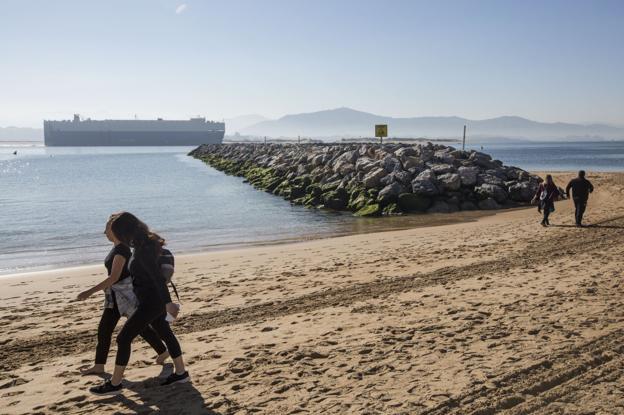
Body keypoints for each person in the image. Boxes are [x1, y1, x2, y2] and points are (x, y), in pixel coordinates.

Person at [89, 212, 189, 396]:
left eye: (116, 231)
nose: (114, 235)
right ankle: (181, 373)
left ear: (124, 231)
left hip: (152, 302)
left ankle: (115, 384)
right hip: (150, 300)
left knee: (123, 338)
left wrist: (168, 303)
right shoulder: (141, 244)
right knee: (165, 332)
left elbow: (158, 280)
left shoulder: (143, 250)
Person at [77, 214, 170, 375]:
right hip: (115, 297)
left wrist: (89, 292)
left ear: (114, 229)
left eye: (106, 229)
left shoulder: (121, 250)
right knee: (111, 329)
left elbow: (114, 277)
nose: (104, 232)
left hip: (124, 297)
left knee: (131, 329)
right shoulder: (118, 248)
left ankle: (163, 351)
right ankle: (162, 351)